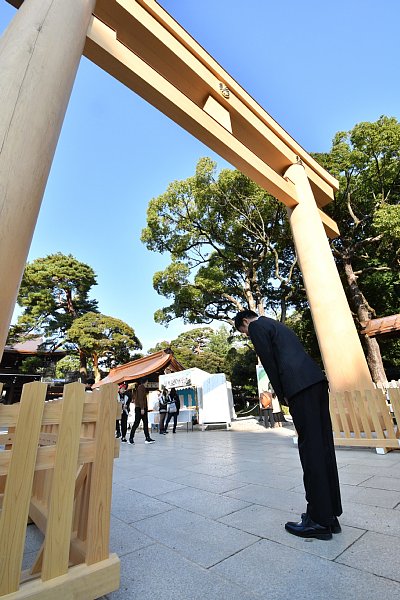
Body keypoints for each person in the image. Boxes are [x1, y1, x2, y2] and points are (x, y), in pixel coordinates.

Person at [234, 309, 342, 541]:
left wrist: (282, 396)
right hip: (315, 381)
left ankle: (318, 520)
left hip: (298, 387)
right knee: (323, 446)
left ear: (244, 321)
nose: (247, 335)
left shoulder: (256, 327)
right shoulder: (276, 325)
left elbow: (270, 364)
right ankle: (330, 514)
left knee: (309, 449)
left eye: (243, 332)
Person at [129, 378, 155, 444]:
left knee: (145, 423)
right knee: (136, 423)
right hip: (139, 408)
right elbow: (140, 398)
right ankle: (131, 438)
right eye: (147, 382)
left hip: (143, 408)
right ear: (145, 381)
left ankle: (147, 438)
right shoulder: (141, 387)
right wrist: (142, 408)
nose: (147, 383)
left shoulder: (142, 387)